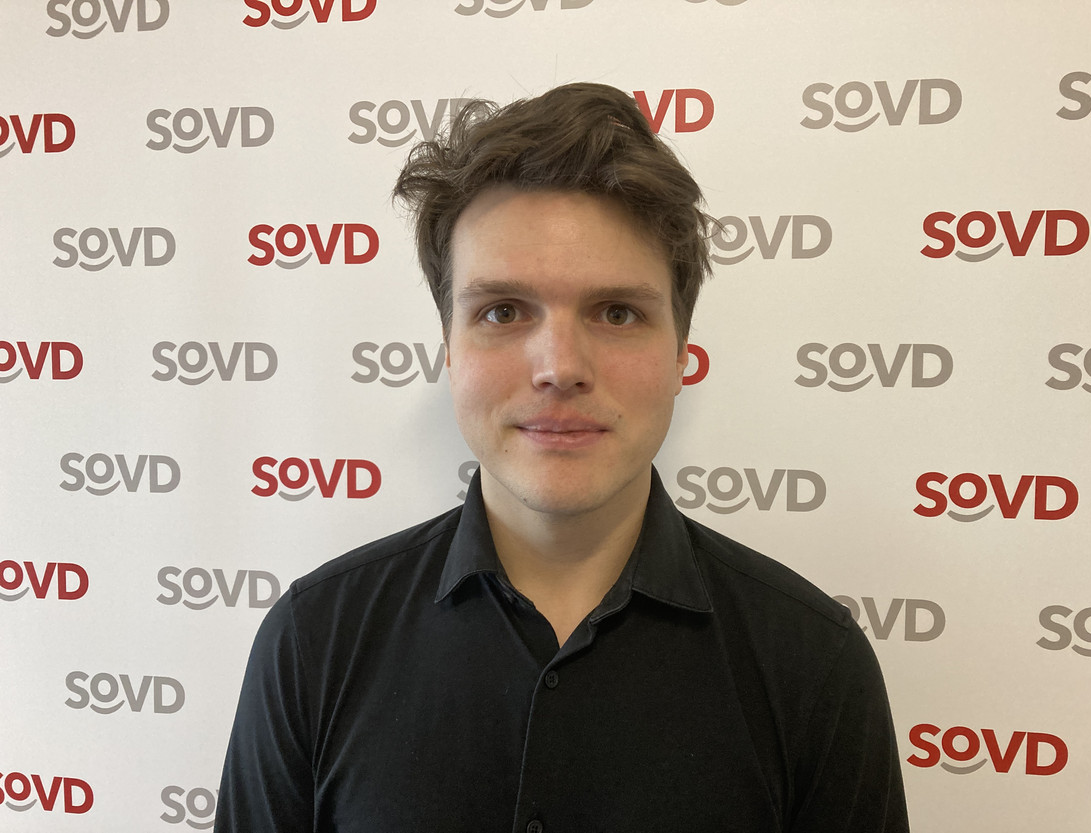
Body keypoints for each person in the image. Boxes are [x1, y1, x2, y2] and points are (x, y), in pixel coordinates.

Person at [215, 82, 910, 832]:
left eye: (617, 312)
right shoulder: (314, 641)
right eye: (502, 311)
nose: (560, 367)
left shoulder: (814, 664)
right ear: (448, 348)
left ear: (681, 353)